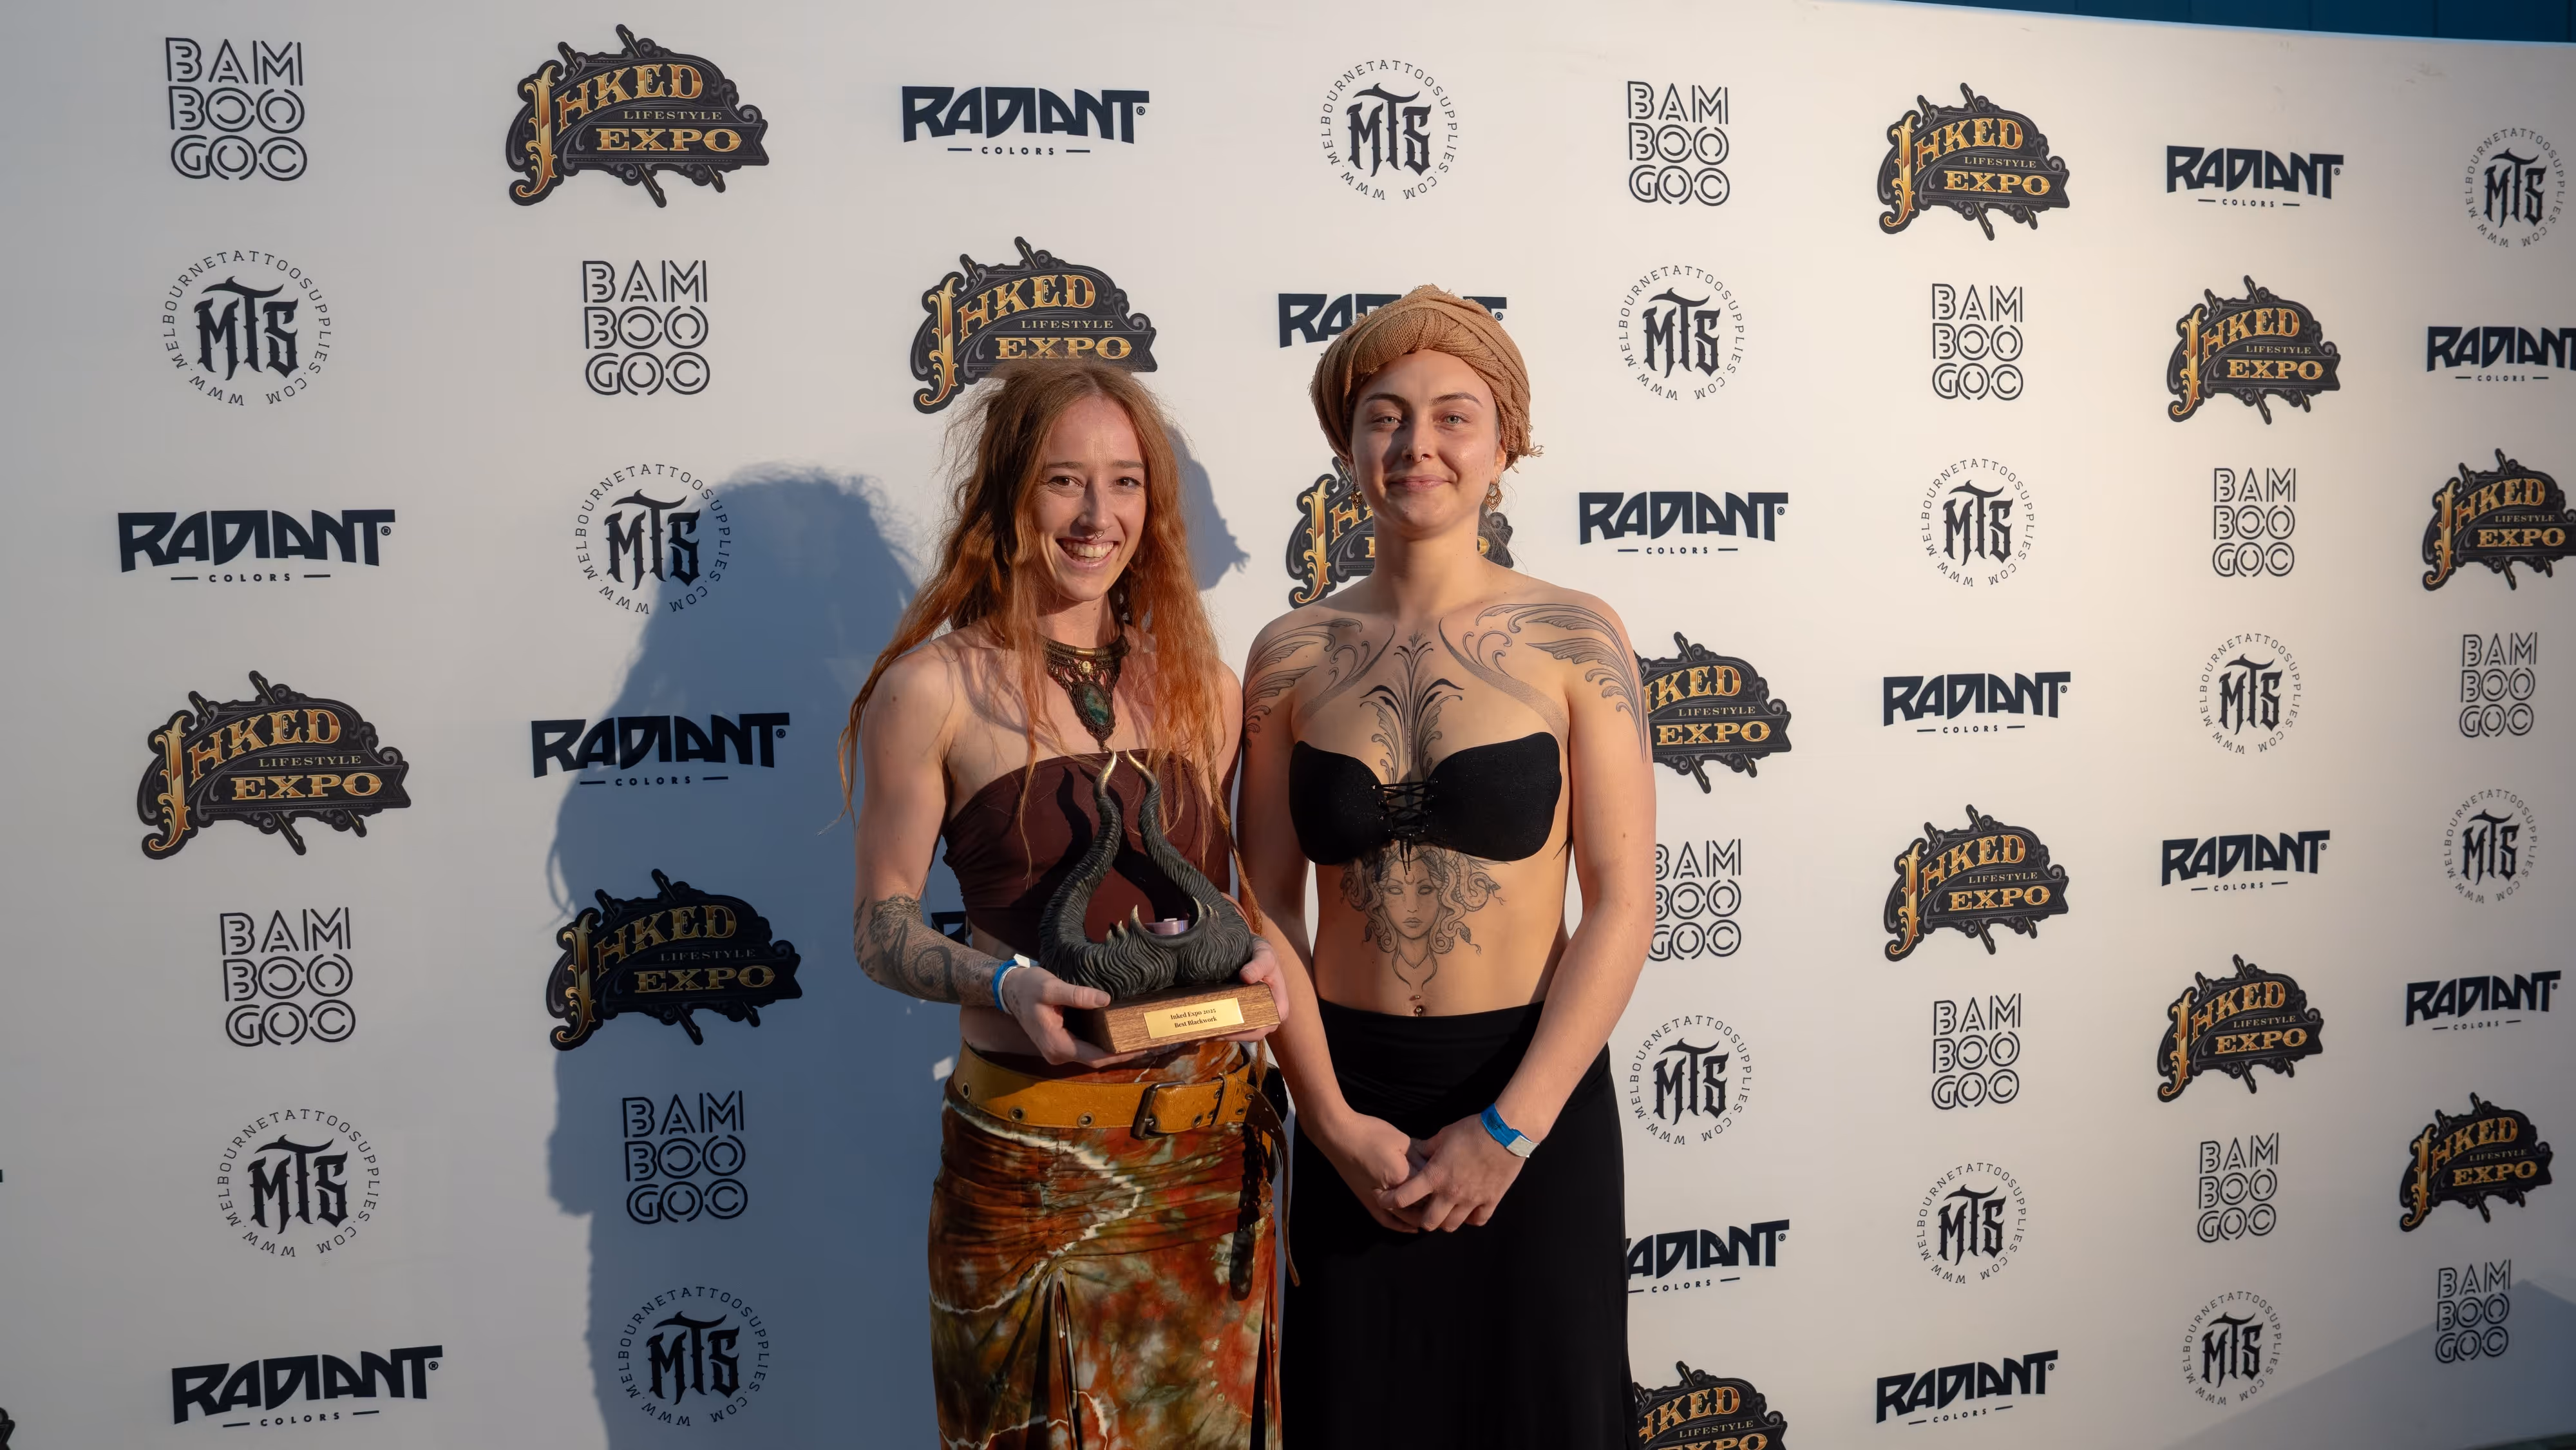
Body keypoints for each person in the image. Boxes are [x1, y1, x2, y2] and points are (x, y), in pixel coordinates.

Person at [843, 361, 1289, 1450]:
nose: (1100, 517)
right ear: (1005, 495)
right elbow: (880, 925)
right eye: (1064, 482)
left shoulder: (1204, 683)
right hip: (1031, 1172)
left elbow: (1228, 900)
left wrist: (1267, 969)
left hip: (1208, 1164)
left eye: (1127, 482)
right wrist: (1002, 980)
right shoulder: (931, 689)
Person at [1237, 287, 1654, 1447]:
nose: (1417, 445)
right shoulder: (1288, 656)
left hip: (1533, 1092)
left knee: (1546, 1412)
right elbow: (1265, 903)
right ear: (1346, 443)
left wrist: (1511, 1130)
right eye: (1385, 415)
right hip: (1347, 1097)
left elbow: (1624, 905)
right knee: (1356, 1411)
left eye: (1454, 416)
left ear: (1505, 442)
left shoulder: (1579, 636)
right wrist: (1325, 1117)